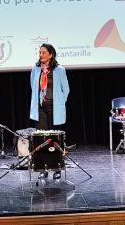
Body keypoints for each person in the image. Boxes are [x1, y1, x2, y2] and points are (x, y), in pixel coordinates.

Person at [29, 43, 70, 179]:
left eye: (43, 53)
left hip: (55, 108)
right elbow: (32, 86)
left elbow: (66, 89)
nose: (41, 55)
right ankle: (43, 168)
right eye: (40, 53)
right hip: (40, 108)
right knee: (42, 139)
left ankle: (57, 167)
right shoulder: (35, 69)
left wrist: (59, 102)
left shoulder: (59, 70)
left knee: (54, 139)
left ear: (51, 54)